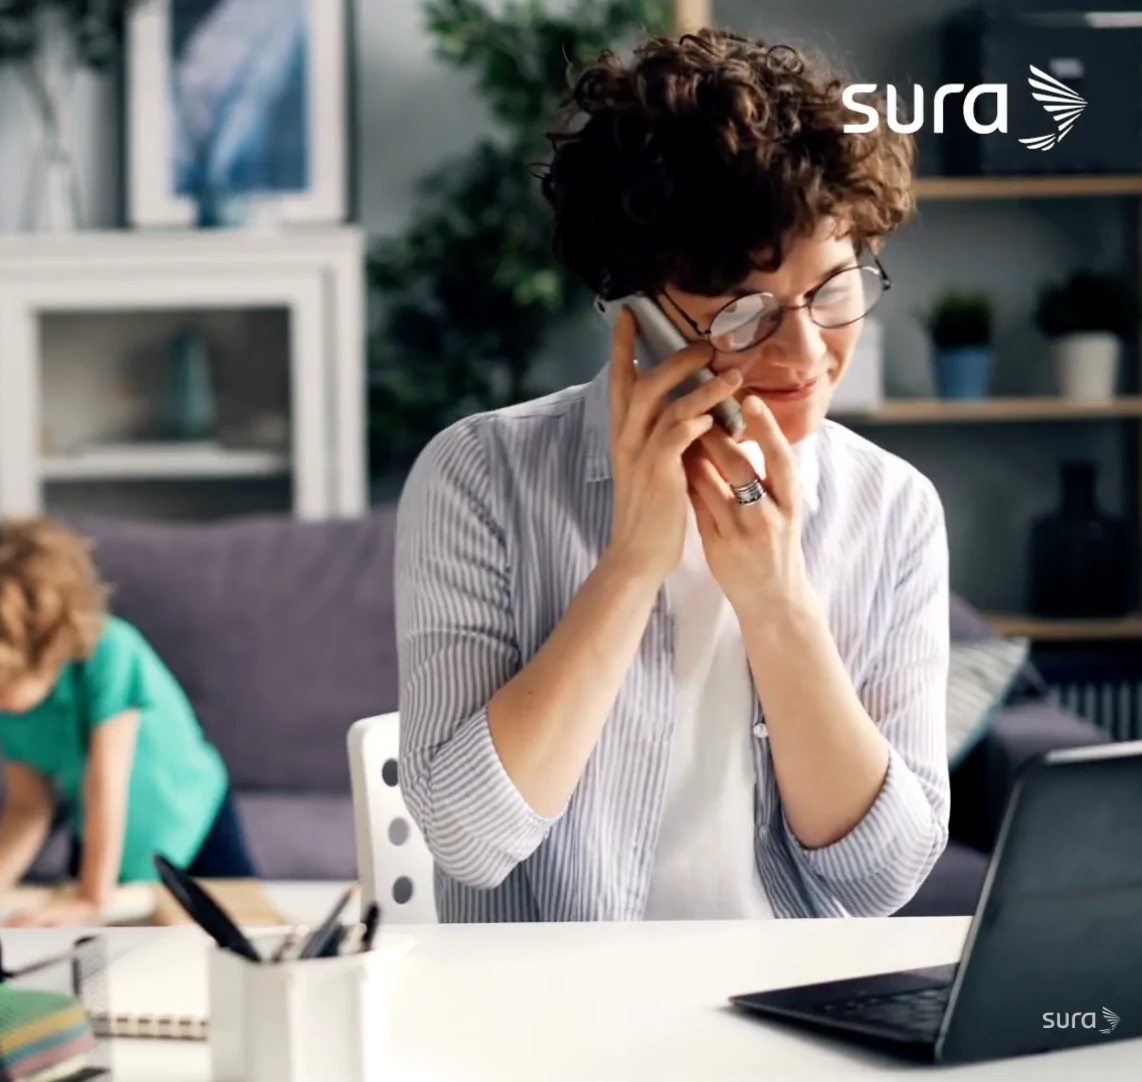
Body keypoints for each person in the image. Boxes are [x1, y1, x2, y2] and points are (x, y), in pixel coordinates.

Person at [394, 29, 950, 923]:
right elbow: (467, 839)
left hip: (796, 1030)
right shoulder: (480, 477)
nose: (806, 352)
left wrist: (776, 599)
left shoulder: (893, 509)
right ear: (638, 315)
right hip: (551, 1031)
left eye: (834, 290)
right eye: (743, 312)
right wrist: (631, 564)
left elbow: (881, 880)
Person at [0, 516, 255, 927]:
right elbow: (29, 807)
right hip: (104, 845)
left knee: (240, 937)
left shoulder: (111, 653)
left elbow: (107, 781)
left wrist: (91, 897)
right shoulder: (6, 698)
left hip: (193, 826)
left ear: (42, 644)